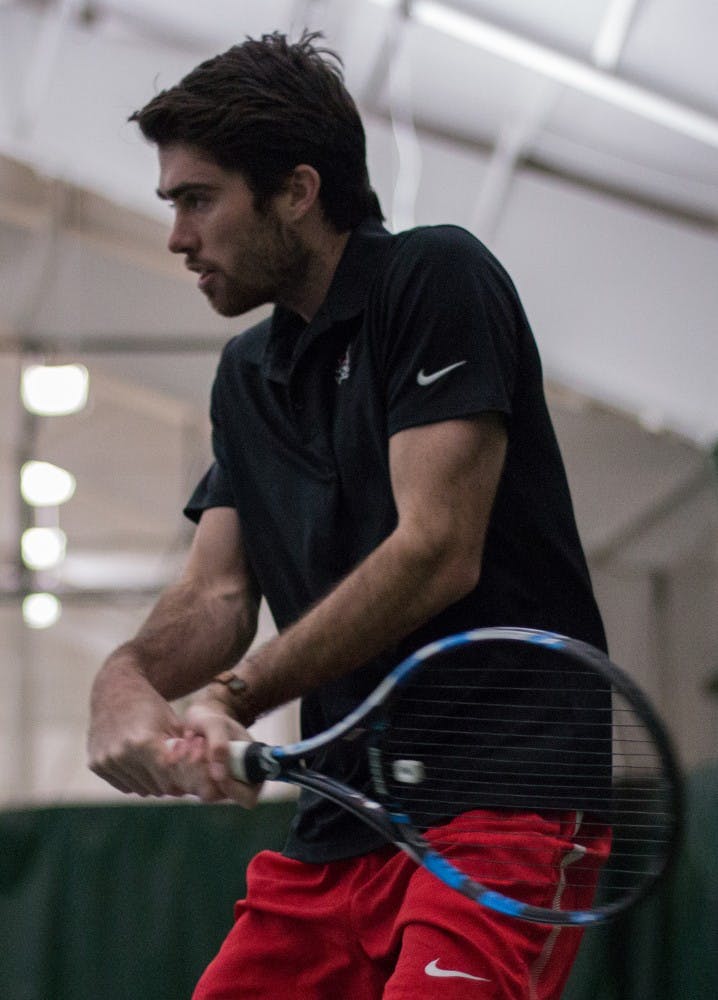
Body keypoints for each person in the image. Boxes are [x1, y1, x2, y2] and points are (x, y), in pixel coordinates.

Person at [87, 31, 608, 999]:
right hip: (337, 832)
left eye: (197, 200)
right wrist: (123, 680)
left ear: (296, 190)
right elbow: (217, 588)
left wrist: (234, 696)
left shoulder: (437, 278)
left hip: (502, 806)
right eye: (172, 205)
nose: (175, 237)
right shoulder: (246, 374)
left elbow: (435, 550)